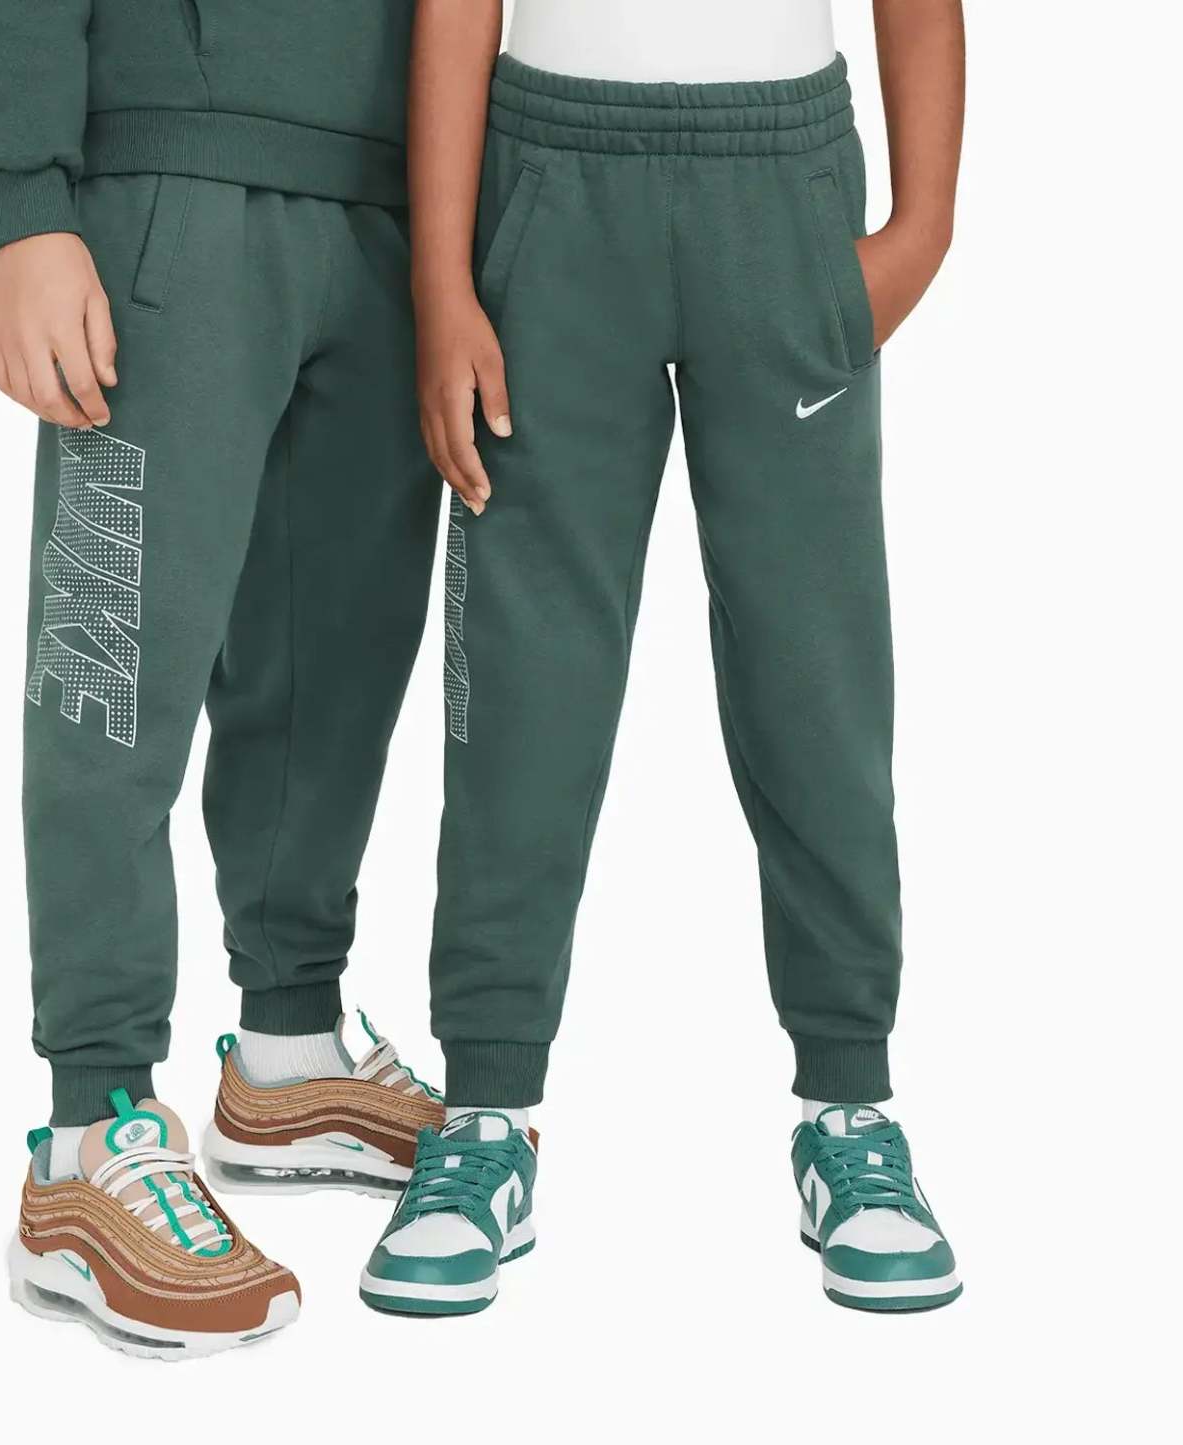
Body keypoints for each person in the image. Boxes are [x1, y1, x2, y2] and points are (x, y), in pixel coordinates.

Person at [360, 0, 966, 1316]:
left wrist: (921, 229)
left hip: (780, 184)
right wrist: (441, 281)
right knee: (523, 680)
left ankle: (850, 1104)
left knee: (814, 670)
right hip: (551, 177)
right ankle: (486, 1110)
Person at [0, 0, 446, 1356]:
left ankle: (289, 1051)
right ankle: (90, 1131)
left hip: (394, 201)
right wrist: (26, 205)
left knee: (336, 666)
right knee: (113, 675)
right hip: (167, 182)